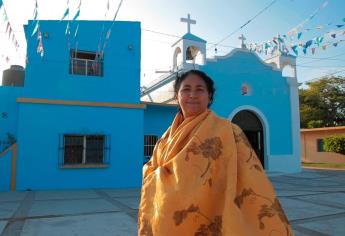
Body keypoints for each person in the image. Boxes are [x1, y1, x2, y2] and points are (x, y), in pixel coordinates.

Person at [138, 70, 293, 236]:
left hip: (212, 213)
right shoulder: (165, 138)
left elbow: (252, 178)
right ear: (177, 96)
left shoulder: (228, 131)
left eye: (199, 89)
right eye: (186, 89)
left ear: (209, 96)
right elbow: (151, 170)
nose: (192, 95)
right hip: (167, 217)